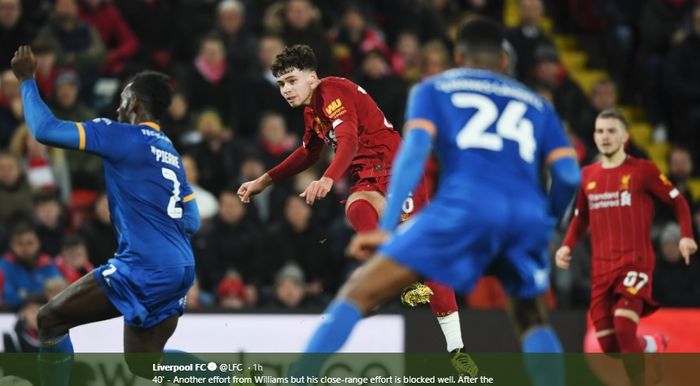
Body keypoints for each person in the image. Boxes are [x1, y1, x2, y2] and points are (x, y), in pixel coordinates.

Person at [293, 18, 581, 386]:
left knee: (359, 291)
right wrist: (549, 221)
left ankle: (300, 375)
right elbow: (570, 175)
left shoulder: (435, 88)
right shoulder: (538, 105)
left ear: (458, 56)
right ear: (505, 62)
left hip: (466, 206)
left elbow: (412, 154)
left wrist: (387, 227)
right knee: (532, 319)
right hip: (524, 215)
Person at [237, 43, 471, 371]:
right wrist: (264, 181)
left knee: (427, 255)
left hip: (396, 171)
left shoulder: (331, 91)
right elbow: (309, 152)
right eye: (281, 84)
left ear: (312, 77)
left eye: (292, 80)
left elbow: (348, 140)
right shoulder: (312, 110)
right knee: (357, 209)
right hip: (368, 175)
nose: (286, 90)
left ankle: (457, 351)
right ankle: (401, 273)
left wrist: (329, 179)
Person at [10, 46, 212, 386]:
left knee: (50, 320)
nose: (118, 106)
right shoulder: (169, 152)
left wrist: (27, 80)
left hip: (145, 265)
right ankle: (233, 377)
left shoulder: (121, 135)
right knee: (145, 364)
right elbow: (191, 220)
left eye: (123, 98)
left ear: (134, 104)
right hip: (180, 266)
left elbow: (45, 130)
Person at [555, 108, 697, 386]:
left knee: (623, 325)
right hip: (603, 268)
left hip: (635, 263)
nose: (605, 136)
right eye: (599, 131)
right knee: (611, 344)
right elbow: (581, 216)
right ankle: (653, 344)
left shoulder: (643, 171)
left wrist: (686, 235)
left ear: (624, 137)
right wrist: (567, 246)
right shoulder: (587, 176)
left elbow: (677, 200)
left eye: (611, 131)